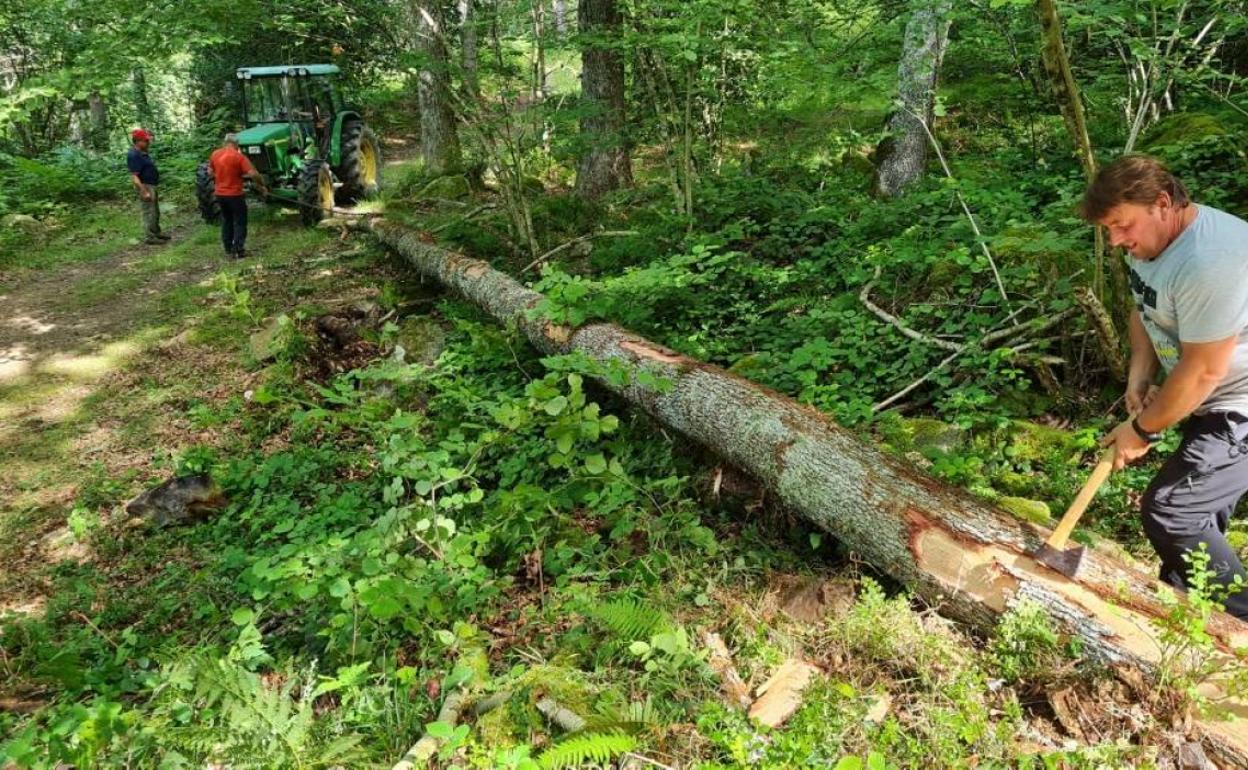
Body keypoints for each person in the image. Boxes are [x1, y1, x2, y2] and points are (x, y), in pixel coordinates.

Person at [1083, 154, 1248, 620]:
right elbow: (1145, 309)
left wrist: (1141, 431)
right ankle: (1184, 615)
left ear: (1162, 203)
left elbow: (1202, 372)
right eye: (1109, 230)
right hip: (1212, 397)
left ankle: (1237, 629)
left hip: (1238, 403)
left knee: (1175, 510)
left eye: (1122, 225)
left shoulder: (1212, 260)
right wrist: (1141, 375)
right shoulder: (1153, 247)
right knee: (1197, 515)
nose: (1116, 240)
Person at [207, 133, 268, 259]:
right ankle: (238, 249)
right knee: (240, 222)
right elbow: (253, 174)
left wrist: (222, 177)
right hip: (234, 195)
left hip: (220, 195)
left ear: (225, 142)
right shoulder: (239, 157)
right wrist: (261, 186)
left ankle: (228, 248)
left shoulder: (215, 154)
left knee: (227, 220)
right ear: (236, 144)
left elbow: (210, 173)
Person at [127, 129, 169, 244]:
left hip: (151, 185)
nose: (148, 142)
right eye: (145, 141)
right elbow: (134, 177)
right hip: (145, 185)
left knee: (155, 211)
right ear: (138, 141)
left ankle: (156, 232)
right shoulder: (134, 155)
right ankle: (149, 237)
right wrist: (143, 190)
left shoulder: (143, 153)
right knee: (148, 211)